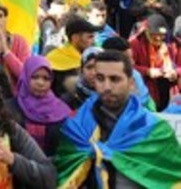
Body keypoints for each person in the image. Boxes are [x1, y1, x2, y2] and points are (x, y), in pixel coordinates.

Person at [55, 50, 181, 187]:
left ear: (131, 83)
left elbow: (172, 179)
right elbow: (65, 171)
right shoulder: (76, 128)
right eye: (100, 78)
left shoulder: (155, 130)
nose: (107, 87)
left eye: (114, 79)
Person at [7, 56, 70, 156]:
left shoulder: (61, 110)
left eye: (46, 78)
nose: (40, 83)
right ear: (26, 77)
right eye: (35, 77)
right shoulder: (9, 108)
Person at [128, 13, 179, 110]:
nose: (159, 38)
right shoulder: (135, 43)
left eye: (162, 35)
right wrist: (147, 71)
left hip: (169, 86)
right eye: (154, 35)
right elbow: (128, 67)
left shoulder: (172, 43)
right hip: (148, 86)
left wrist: (175, 72)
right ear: (147, 31)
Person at [46, 14, 101, 97]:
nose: (94, 42)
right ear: (75, 38)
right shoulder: (54, 58)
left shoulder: (89, 57)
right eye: (90, 37)